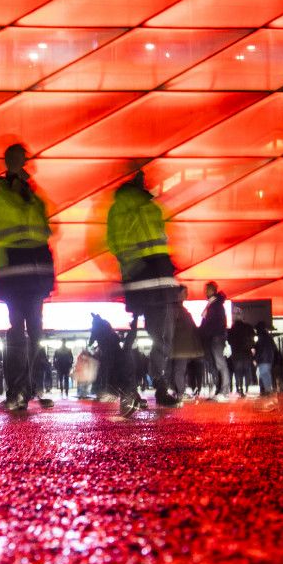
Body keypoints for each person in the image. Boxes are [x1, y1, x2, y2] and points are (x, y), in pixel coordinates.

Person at [0, 143, 55, 414]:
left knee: (34, 332)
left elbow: (44, 229)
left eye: (24, 159)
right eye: (17, 159)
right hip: (15, 271)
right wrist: (18, 192)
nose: (22, 163)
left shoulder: (32, 195)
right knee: (18, 334)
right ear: (8, 161)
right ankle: (17, 390)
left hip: (32, 273)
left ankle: (27, 387)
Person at [106, 170, 185, 410]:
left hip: (155, 277)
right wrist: (136, 267)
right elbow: (119, 240)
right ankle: (135, 388)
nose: (143, 178)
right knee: (151, 336)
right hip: (148, 277)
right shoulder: (127, 207)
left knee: (159, 336)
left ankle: (149, 386)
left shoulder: (148, 206)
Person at [199, 281, 230, 400]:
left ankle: (224, 390)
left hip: (216, 337)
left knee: (220, 363)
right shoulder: (214, 304)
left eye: (206, 290)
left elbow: (213, 323)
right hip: (214, 337)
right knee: (216, 364)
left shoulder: (215, 305)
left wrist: (205, 332)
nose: (205, 292)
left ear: (212, 290)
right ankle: (220, 389)